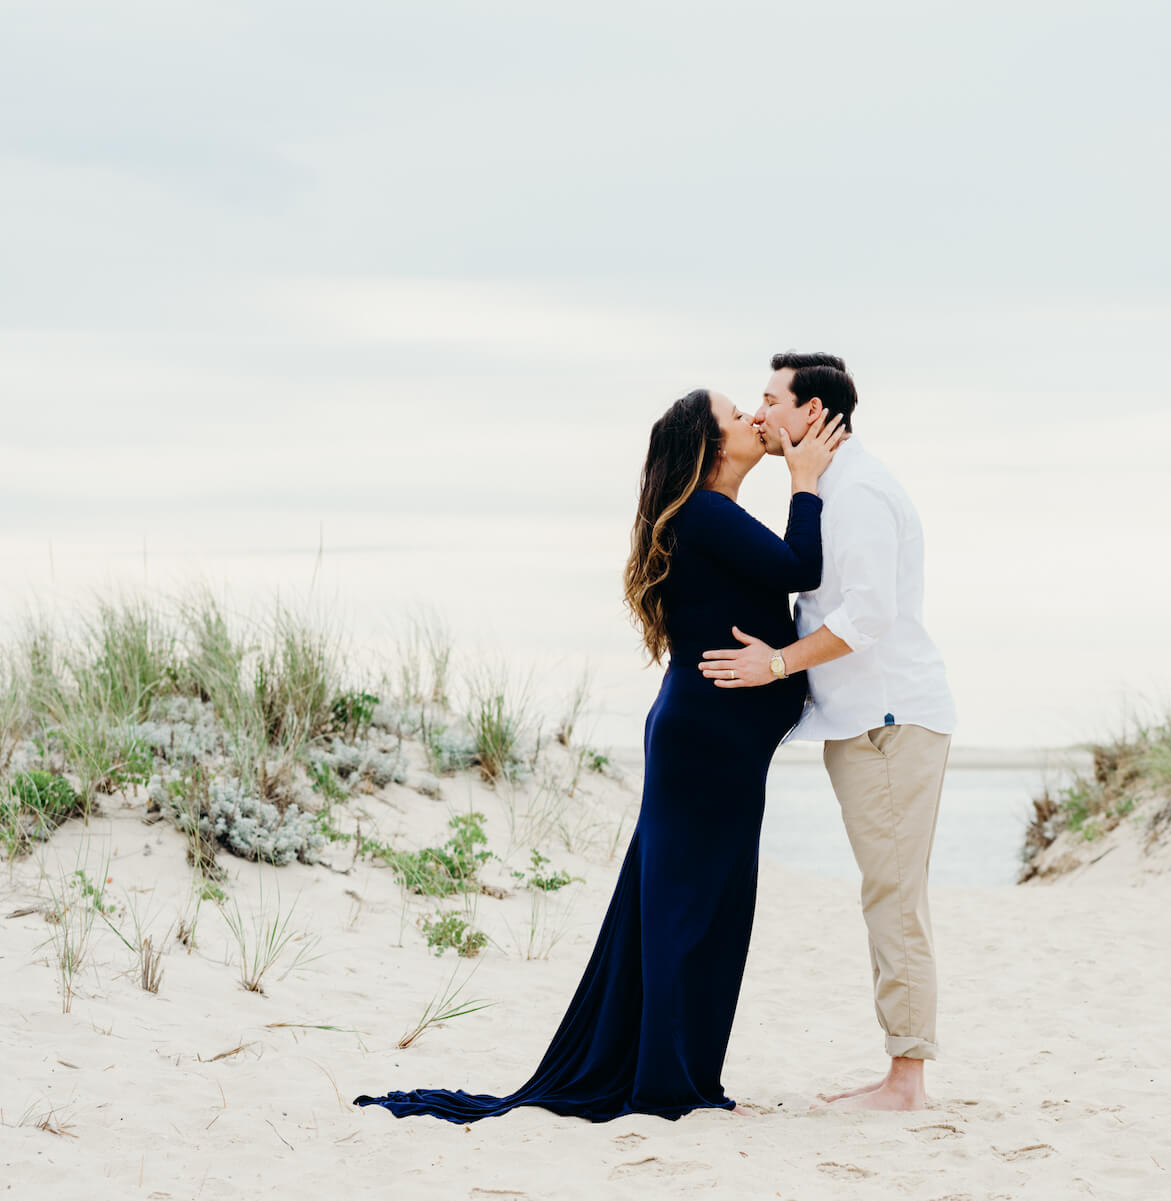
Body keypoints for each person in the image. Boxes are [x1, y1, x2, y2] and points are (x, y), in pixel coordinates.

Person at [352, 388, 844, 1124]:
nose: (752, 420)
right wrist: (806, 480)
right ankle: (670, 1088)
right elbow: (800, 566)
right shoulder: (705, 512)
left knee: (711, 910)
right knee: (685, 912)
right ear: (710, 448)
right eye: (737, 415)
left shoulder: (714, 517)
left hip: (717, 743)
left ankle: (687, 1079)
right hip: (705, 743)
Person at [698, 351, 956, 1112]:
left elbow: (867, 615)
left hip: (890, 721)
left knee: (893, 896)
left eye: (772, 398)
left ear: (811, 412)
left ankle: (905, 1081)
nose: (761, 412)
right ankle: (900, 1072)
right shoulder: (827, 488)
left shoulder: (860, 492)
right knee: (888, 892)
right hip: (866, 723)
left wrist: (776, 665)